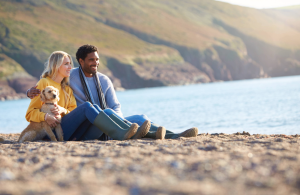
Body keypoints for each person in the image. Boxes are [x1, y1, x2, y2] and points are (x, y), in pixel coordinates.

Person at [27, 45, 198, 140]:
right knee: (93, 107)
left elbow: (114, 106)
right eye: (66, 64)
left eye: (97, 60)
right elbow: (39, 94)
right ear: (81, 62)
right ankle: (122, 132)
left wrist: (115, 119)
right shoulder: (66, 78)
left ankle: (174, 135)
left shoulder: (72, 84)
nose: (96, 63)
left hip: (101, 119)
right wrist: (31, 93)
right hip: (78, 125)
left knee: (139, 117)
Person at [25, 51, 150, 141]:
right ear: (56, 66)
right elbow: (30, 114)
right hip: (51, 131)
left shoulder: (67, 88)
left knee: (99, 108)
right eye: (66, 64)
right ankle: (120, 132)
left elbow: (73, 112)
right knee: (86, 106)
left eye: (70, 63)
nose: (70, 67)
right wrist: (46, 116)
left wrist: (62, 110)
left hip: (67, 126)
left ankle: (127, 131)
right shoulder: (44, 83)